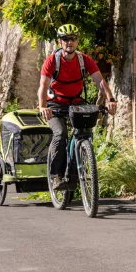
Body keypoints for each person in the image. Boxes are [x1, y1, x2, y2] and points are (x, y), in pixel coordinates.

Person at [38, 24, 117, 190]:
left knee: (85, 133)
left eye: (73, 38)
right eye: (66, 39)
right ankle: (55, 176)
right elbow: (43, 86)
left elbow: (99, 81)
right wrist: (43, 106)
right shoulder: (52, 60)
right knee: (60, 134)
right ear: (60, 42)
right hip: (55, 104)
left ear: (78, 41)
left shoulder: (84, 60)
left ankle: (76, 170)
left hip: (76, 103)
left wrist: (110, 99)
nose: (69, 42)